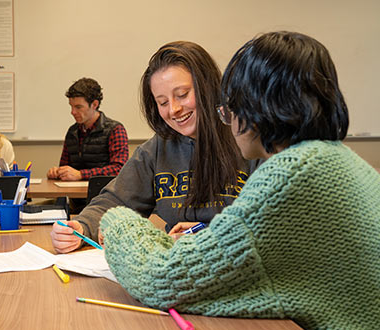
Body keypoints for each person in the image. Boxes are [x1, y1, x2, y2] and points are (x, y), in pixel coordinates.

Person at [99, 32, 379, 330]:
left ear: (262, 105)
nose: (227, 117)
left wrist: (118, 222)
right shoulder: (340, 161)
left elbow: (161, 281)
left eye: (231, 104)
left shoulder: (289, 175)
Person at [51, 42, 260, 253]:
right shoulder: (156, 149)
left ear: (207, 87)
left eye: (182, 94)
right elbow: (116, 200)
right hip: (178, 267)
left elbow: (276, 223)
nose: (174, 109)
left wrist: (211, 232)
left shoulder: (250, 141)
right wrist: (82, 227)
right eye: (162, 102)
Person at [47, 77, 129, 181]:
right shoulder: (72, 132)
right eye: (71, 106)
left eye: (78, 107)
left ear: (94, 104)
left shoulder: (115, 130)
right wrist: (58, 172)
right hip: (75, 195)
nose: (72, 112)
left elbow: (119, 169)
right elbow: (65, 167)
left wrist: (81, 175)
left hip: (104, 194)